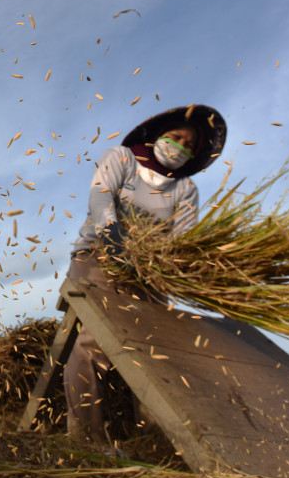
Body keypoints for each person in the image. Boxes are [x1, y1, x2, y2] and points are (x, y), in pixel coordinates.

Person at [64, 105, 227, 443]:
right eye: (176, 137)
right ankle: (85, 440)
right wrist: (114, 240)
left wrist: (179, 269)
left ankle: (155, 442)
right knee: (94, 342)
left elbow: (180, 238)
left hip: (149, 275)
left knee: (156, 352)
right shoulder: (122, 158)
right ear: (158, 135)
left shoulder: (185, 190)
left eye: (188, 145)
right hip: (99, 259)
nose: (180, 146)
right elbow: (100, 198)